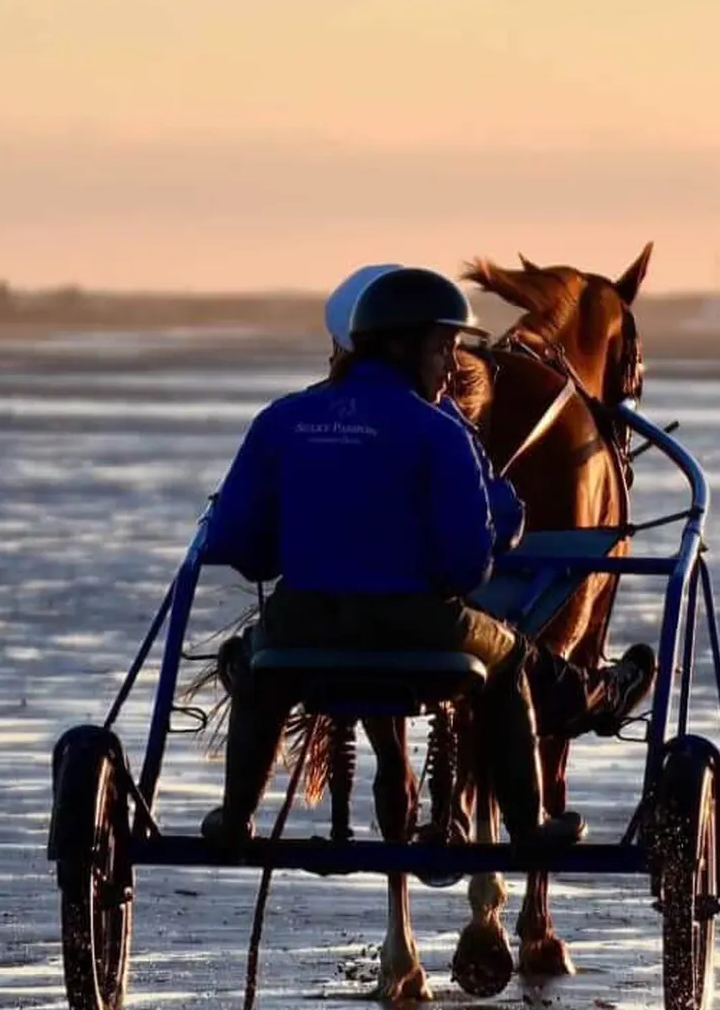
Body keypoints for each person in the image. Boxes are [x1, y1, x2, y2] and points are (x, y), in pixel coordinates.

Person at [197, 266, 646, 853]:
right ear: (406, 350)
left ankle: (233, 823)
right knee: (510, 660)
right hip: (421, 633)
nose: (447, 367)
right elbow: (468, 567)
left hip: (300, 629)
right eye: (442, 350)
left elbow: (238, 546)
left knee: (250, 663)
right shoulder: (441, 432)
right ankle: (529, 826)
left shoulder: (279, 420)